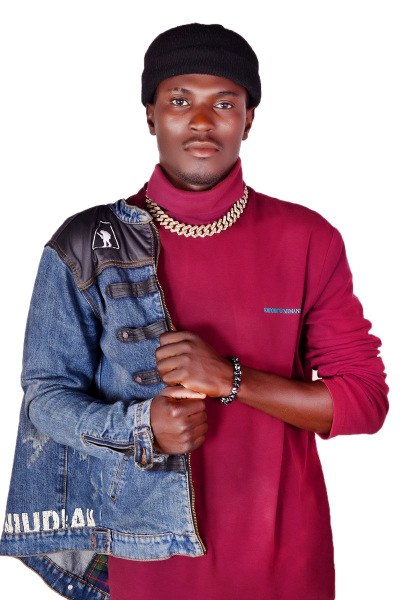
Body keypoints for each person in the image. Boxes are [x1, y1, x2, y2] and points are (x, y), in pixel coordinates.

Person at [0, 23, 388, 600]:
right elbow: (46, 398)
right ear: (151, 115)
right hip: (145, 564)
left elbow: (364, 402)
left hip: (287, 564)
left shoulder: (308, 238)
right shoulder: (88, 245)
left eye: (224, 103)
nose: (202, 121)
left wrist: (230, 379)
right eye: (180, 101)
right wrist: (139, 428)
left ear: (248, 119)